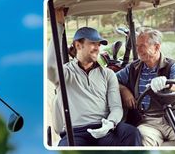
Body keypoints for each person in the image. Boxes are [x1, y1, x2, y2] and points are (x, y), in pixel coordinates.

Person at [47, 8, 141, 146]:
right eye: (92, 43)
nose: (97, 48)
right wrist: (58, 26)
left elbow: (116, 107)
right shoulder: (64, 72)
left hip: (104, 129)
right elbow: (50, 67)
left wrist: (110, 123)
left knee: (131, 133)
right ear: (78, 45)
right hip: (76, 132)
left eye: (98, 44)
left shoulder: (107, 74)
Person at [116, 27, 175, 146]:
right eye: (137, 45)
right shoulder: (132, 68)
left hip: (174, 118)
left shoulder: (172, 65)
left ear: (157, 47)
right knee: (143, 143)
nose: (138, 50)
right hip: (147, 122)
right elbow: (112, 79)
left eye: (142, 46)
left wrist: (167, 83)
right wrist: (123, 90)